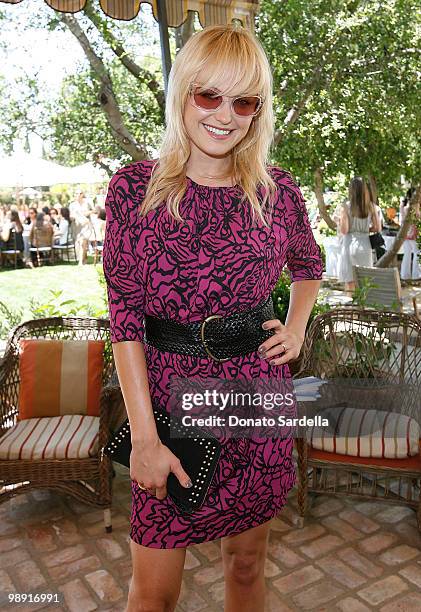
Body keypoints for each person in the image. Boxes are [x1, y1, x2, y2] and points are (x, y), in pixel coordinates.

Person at [103, 24, 323, 612]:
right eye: (209, 95)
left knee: (247, 566)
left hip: (256, 398)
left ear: (258, 111)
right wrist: (144, 438)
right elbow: (123, 318)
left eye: (244, 100)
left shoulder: (277, 192)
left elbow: (309, 265)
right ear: (182, 96)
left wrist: (297, 326)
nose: (226, 115)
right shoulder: (134, 191)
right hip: (171, 405)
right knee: (153, 593)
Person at [337, 177, 381, 293]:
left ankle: (351, 308)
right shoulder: (371, 206)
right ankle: (363, 309)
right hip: (365, 245)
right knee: (364, 281)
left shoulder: (345, 207)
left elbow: (344, 230)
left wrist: (339, 221)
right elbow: (377, 228)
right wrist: (365, 229)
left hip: (349, 245)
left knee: (350, 281)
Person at [400, 188, 420, 280]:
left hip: (405, 232)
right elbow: (417, 218)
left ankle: (405, 275)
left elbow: (402, 220)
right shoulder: (414, 206)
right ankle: (416, 275)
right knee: (417, 253)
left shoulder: (403, 205)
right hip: (415, 232)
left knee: (407, 253)